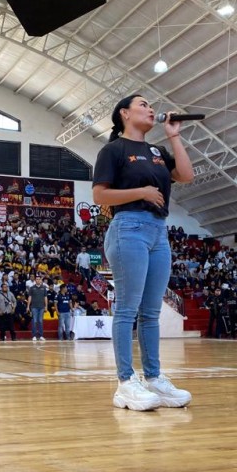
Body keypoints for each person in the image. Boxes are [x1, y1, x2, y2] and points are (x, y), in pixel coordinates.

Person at [92, 94, 195, 411]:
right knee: (127, 309)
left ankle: (154, 379)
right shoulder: (113, 150)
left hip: (158, 232)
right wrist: (143, 192)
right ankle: (125, 382)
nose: (151, 109)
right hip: (128, 227)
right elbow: (99, 196)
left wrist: (174, 136)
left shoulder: (158, 152)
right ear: (124, 113)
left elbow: (187, 176)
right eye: (143, 104)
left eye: (152, 106)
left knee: (151, 312)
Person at [26, 274, 48, 341]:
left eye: (39, 279)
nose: (38, 280)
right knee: (34, 321)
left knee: (40, 321)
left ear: (41, 280)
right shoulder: (32, 288)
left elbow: (45, 298)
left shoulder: (44, 288)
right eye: (37, 279)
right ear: (35, 281)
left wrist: (46, 306)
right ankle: (34, 336)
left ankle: (41, 336)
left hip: (41, 307)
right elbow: (29, 297)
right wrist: (28, 306)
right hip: (34, 307)